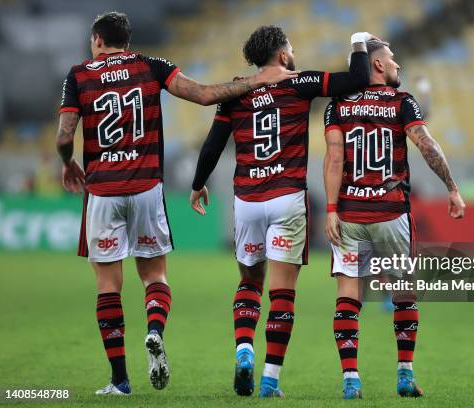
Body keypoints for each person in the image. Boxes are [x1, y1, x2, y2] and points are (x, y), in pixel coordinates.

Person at [55, 11, 297, 396]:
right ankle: (154, 330)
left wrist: (68, 162)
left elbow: (65, 134)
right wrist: (255, 80)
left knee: (108, 286)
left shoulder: (79, 74)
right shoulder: (151, 66)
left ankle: (119, 380)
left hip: (102, 191)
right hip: (146, 186)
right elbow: (202, 95)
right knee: (154, 277)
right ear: (127, 42)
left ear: (97, 40)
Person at [190, 25, 375, 397]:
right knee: (283, 293)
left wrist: (197, 184)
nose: (294, 53)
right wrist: (358, 41)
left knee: (248, 282)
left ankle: (244, 347)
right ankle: (270, 381)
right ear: (282, 54)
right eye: (290, 48)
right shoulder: (300, 82)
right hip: (286, 197)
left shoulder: (236, 91)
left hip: (247, 201)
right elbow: (358, 77)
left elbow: (213, 145)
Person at [323, 39, 465, 399]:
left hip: (351, 213)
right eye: (392, 58)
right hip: (391, 213)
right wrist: (451, 187)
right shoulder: (403, 103)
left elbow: (334, 160)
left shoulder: (337, 106)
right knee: (404, 294)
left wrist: (330, 209)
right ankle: (404, 374)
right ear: (378, 66)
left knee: (348, 295)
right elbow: (427, 144)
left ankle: (350, 380)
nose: (398, 64)